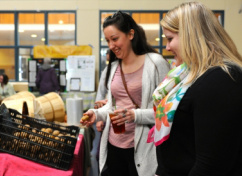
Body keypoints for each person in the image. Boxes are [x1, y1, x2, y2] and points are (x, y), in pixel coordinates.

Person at [147, 2, 242, 176]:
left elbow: (211, 164)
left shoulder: (222, 78)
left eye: (170, 39)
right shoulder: (188, 74)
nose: (167, 47)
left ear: (191, 36)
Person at [81, 11, 170, 176]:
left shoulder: (155, 64)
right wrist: (96, 114)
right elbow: (112, 105)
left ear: (130, 34)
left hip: (143, 147)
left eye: (115, 39)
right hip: (114, 144)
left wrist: (134, 115)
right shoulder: (114, 68)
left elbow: (167, 112)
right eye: (108, 41)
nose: (111, 45)